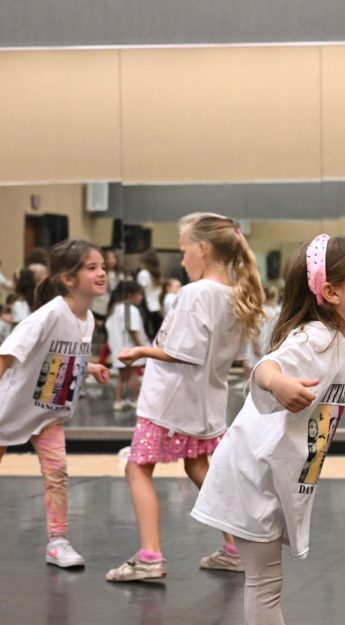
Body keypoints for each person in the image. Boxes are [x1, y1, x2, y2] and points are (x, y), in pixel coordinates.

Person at [190, 233, 345, 625]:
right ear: (331, 292)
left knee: (262, 581)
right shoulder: (313, 338)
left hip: (269, 474)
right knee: (264, 583)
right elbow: (264, 369)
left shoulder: (336, 338)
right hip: (252, 476)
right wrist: (280, 382)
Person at [105, 213, 265, 583]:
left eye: (183, 250)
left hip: (170, 403)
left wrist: (140, 351)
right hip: (205, 403)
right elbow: (234, 355)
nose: (181, 260)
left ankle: (149, 556)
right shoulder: (234, 295)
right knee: (198, 466)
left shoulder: (195, 293)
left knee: (136, 467)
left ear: (203, 249)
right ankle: (234, 549)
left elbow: (182, 351)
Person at [0, 239, 111, 569]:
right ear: (68, 279)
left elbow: (59, 357)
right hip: (10, 406)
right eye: (92, 267)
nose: (102, 273)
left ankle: (57, 541)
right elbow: (7, 350)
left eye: (103, 266)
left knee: (57, 472)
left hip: (47, 409)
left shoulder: (87, 318)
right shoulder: (49, 315)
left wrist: (89, 367)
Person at [106, 280, 147, 411]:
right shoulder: (130, 309)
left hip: (117, 348)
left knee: (121, 375)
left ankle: (119, 400)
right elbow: (132, 330)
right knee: (133, 374)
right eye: (139, 294)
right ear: (130, 295)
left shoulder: (114, 309)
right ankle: (136, 400)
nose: (141, 297)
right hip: (129, 347)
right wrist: (143, 349)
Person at [136, 251, 164, 339]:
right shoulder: (156, 275)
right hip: (157, 308)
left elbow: (140, 291)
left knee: (148, 336)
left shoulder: (143, 274)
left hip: (147, 308)